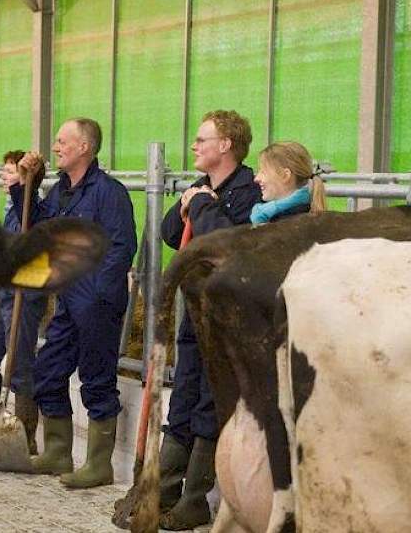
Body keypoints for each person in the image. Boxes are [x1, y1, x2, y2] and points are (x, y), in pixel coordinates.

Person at [10, 118, 136, 489]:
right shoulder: (61, 191)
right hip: (67, 297)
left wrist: (98, 296)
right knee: (48, 372)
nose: (56, 146)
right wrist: (24, 186)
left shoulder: (108, 193)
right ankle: (58, 453)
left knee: (97, 379)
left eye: (62, 141)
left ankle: (99, 465)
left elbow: (120, 248)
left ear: (84, 147)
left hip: (96, 301)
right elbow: (35, 225)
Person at [155, 110, 262, 530]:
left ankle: (195, 498)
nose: (195, 146)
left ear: (226, 146)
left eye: (203, 140)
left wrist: (200, 207)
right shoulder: (201, 187)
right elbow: (168, 233)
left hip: (225, 315)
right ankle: (161, 487)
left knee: (206, 398)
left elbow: (227, 245)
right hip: (194, 306)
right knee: (182, 391)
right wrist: (188, 204)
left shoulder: (250, 193)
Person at [0, 150, 49, 455]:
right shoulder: (11, 209)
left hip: (23, 295)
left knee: (20, 363)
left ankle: (25, 436)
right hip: (2, 293)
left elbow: (28, 211)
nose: (3, 177)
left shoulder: (30, 207)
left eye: (11, 172)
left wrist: (26, 180)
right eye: (5, 172)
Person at [251, 141, 327, 224]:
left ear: (285, 175)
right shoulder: (301, 216)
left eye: (263, 172)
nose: (256, 178)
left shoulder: (286, 224)